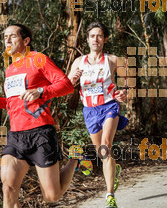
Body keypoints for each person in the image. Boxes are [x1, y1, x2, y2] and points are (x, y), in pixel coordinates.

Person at [0, 24, 90, 208]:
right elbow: (11, 103)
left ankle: (75, 158)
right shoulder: (9, 70)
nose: (7, 40)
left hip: (40, 133)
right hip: (16, 136)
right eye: (5, 37)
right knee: (8, 188)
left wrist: (41, 91)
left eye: (12, 36)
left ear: (26, 41)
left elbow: (66, 85)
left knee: (52, 196)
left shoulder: (38, 59)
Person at [68, 21, 128, 208]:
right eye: (92, 36)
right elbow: (67, 84)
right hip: (89, 110)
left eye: (99, 35)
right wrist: (73, 79)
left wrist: (125, 92)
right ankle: (113, 169)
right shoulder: (79, 61)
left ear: (105, 39)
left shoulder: (112, 60)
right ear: (87, 39)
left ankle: (110, 195)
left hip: (109, 106)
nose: (96, 39)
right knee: (102, 153)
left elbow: (129, 79)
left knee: (106, 146)